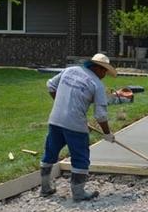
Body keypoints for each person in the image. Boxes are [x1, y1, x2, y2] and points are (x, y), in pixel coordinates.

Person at [40, 53, 117, 201]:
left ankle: (45, 187)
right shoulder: (96, 84)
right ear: (99, 69)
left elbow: (50, 85)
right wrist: (107, 133)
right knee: (80, 156)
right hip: (75, 124)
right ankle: (78, 193)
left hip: (55, 120)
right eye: (105, 72)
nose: (104, 75)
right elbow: (100, 115)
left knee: (51, 151)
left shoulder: (70, 70)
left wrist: (61, 105)